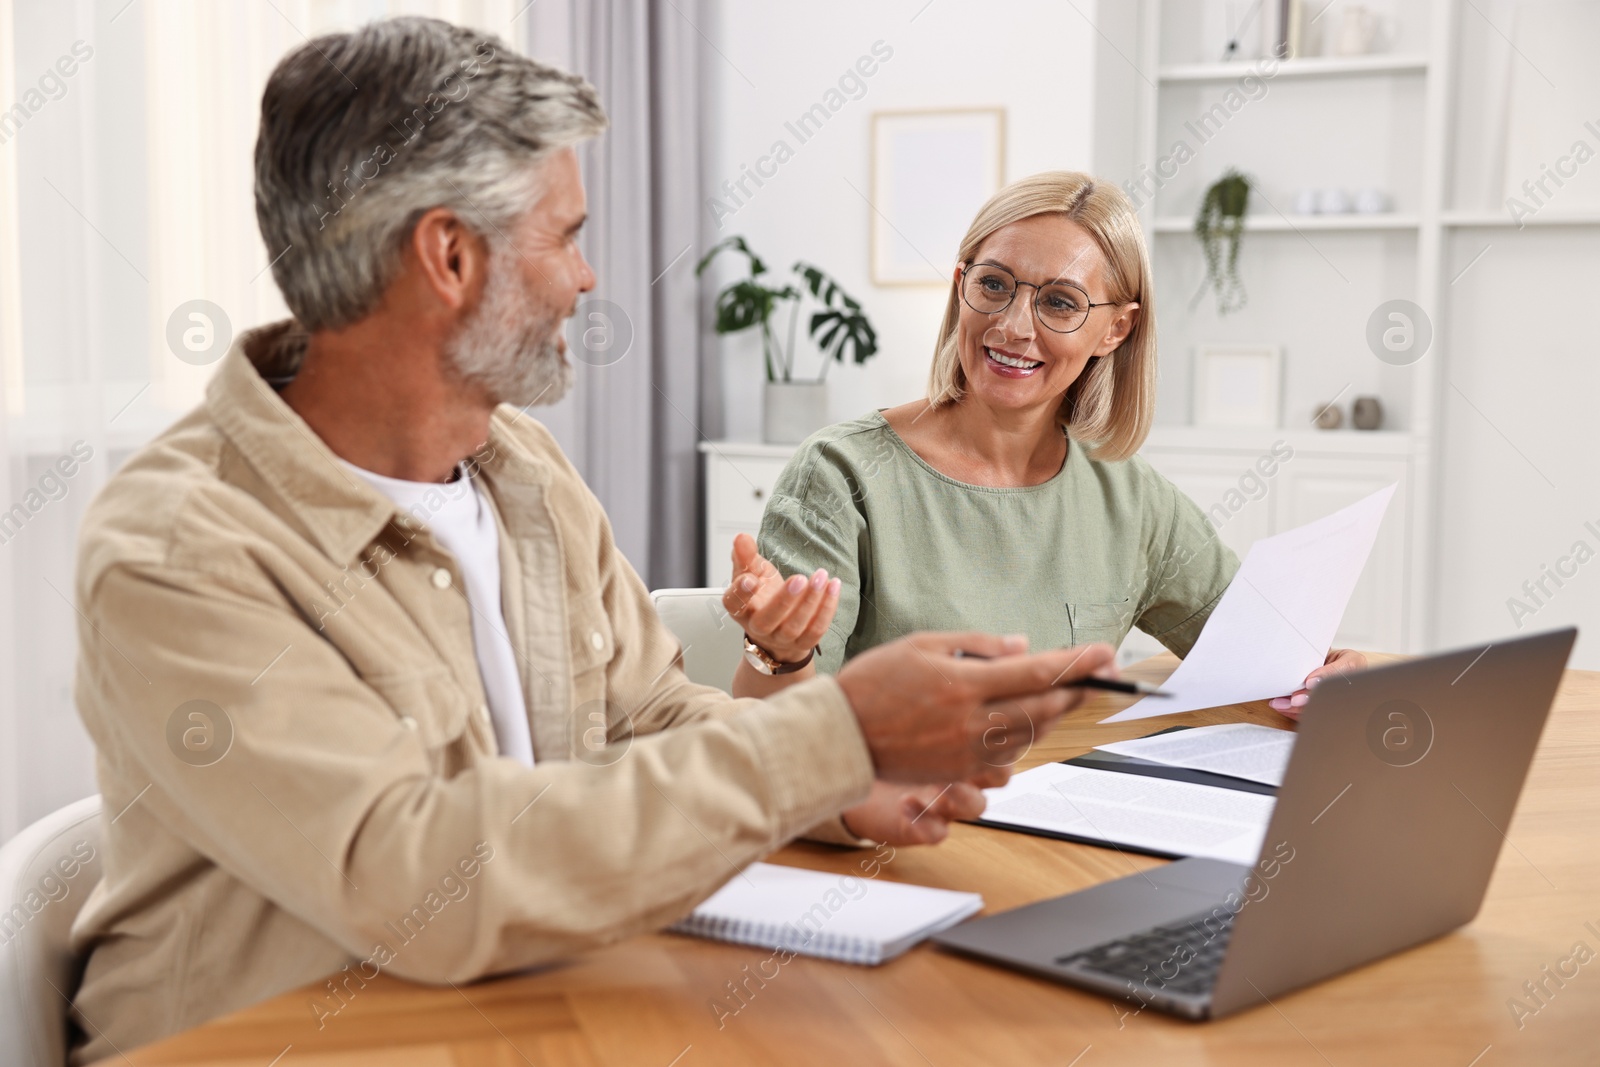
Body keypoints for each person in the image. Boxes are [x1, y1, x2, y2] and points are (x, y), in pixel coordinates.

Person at [63, 21, 1116, 1063]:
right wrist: (831, 735)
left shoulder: (520, 469)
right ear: (449, 255)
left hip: (530, 1000)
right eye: (565, 234)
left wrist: (839, 784)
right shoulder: (179, 541)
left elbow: (646, 715)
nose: (587, 278)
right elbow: (418, 875)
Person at [724, 173, 1365, 839]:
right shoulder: (841, 474)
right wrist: (778, 652)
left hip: (1061, 837)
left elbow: (1259, 658)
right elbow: (773, 748)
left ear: (1116, 329)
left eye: (1060, 302)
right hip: (895, 841)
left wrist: (1325, 671)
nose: (1012, 326)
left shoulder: (1130, 497)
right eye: (994, 285)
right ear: (960, 284)